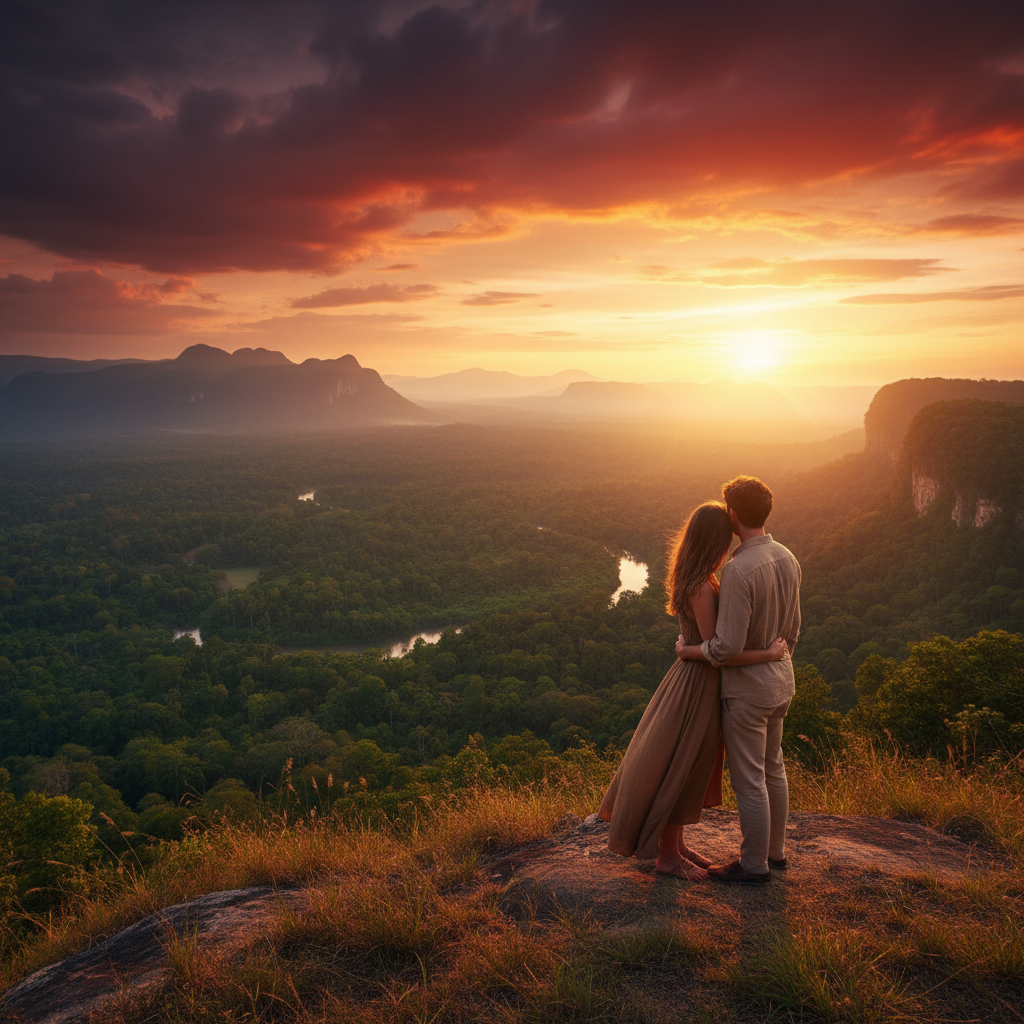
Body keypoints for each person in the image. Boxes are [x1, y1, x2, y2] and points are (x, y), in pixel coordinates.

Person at [598, 501, 788, 880]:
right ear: (714, 542)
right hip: (698, 686)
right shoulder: (702, 587)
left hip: (694, 678)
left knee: (686, 765)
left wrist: (690, 647)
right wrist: (769, 652)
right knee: (681, 768)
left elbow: (704, 645)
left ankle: (677, 846)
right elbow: (718, 651)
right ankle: (667, 857)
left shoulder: (697, 577)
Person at [675, 475, 801, 885]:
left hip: (747, 692)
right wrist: (776, 660)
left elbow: (725, 648)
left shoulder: (737, 570)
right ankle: (776, 853)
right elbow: (793, 629)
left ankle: (754, 865)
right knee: (773, 770)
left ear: (732, 515)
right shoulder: (787, 557)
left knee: (749, 781)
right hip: (781, 682)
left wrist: (691, 650)